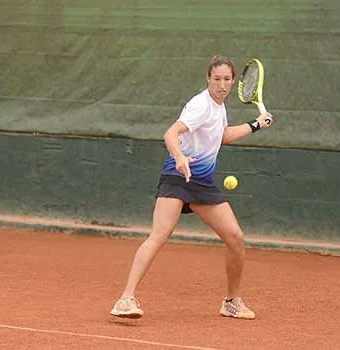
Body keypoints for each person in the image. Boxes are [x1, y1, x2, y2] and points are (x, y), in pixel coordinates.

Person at [110, 55, 273, 320]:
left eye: (227, 79)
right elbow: (171, 133)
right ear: (208, 79)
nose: (222, 84)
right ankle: (125, 299)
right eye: (217, 79)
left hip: (202, 183)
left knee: (235, 238)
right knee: (160, 234)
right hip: (178, 177)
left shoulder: (219, 108)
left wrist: (256, 125)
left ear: (233, 82)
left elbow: (223, 137)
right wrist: (180, 158)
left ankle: (231, 302)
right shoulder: (200, 105)